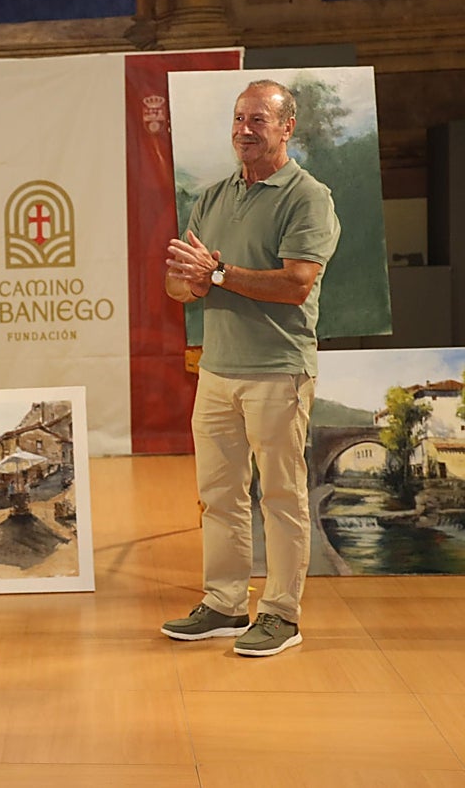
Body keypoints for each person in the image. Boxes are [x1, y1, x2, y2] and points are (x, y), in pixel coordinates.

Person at [161, 79, 340, 657]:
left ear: (288, 127)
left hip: (278, 371)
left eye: (258, 120)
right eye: (239, 118)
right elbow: (177, 281)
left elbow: (296, 284)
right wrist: (192, 281)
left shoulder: (308, 196)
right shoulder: (211, 197)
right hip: (217, 371)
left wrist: (216, 274)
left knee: (282, 498)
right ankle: (224, 605)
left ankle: (282, 615)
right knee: (219, 495)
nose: (244, 129)